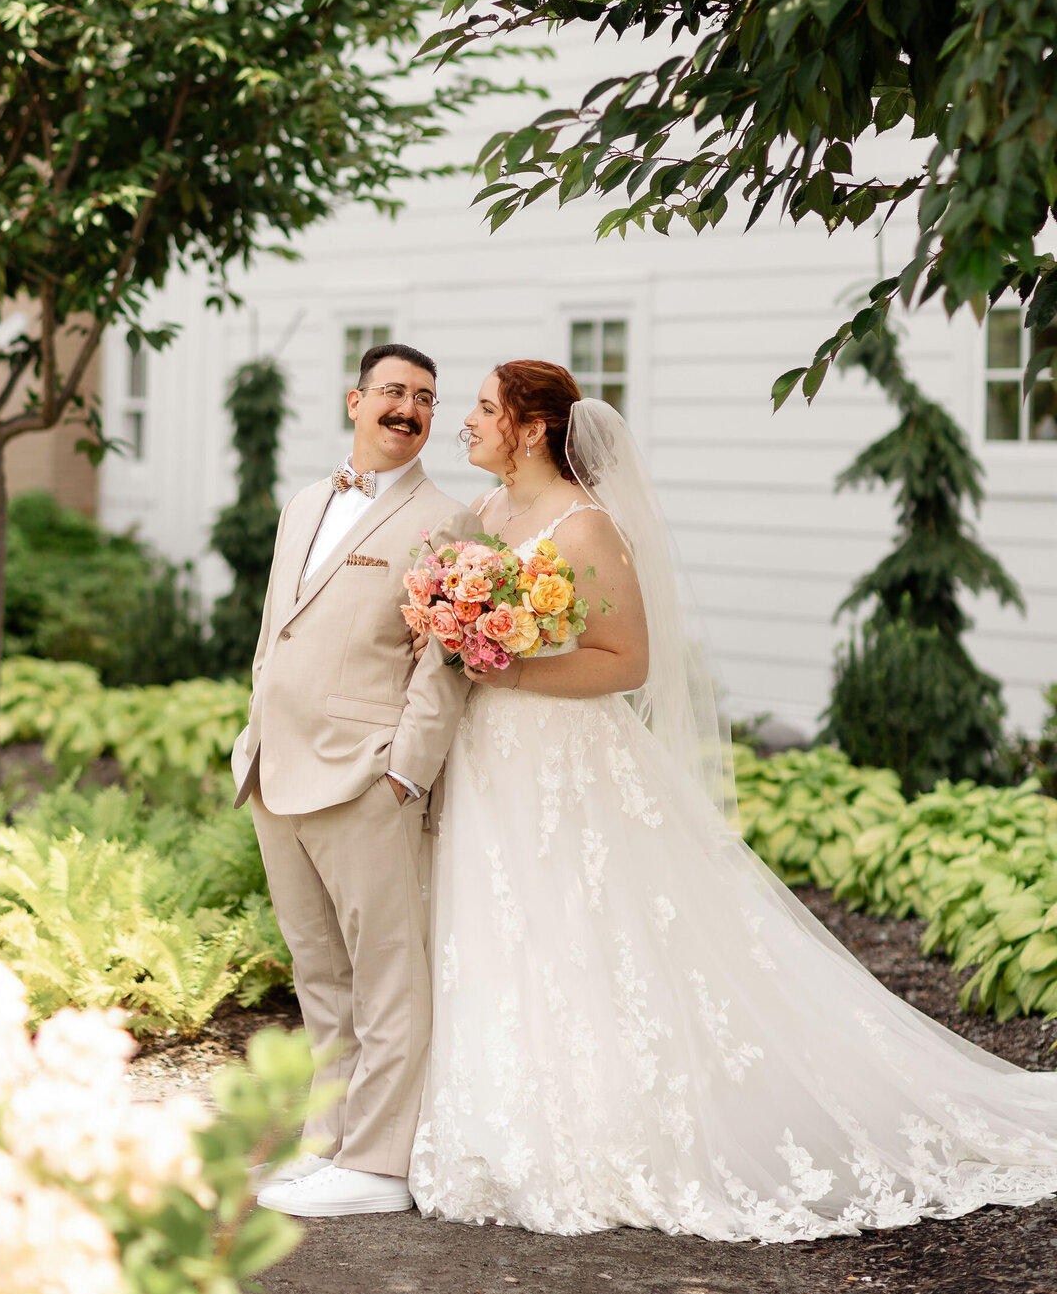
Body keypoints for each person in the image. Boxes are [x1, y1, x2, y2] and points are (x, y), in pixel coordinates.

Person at [409, 358, 1057, 1239]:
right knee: (496, 922)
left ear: (530, 428)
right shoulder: (483, 515)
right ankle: (493, 1124)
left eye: (485, 409)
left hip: (563, 757)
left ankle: (603, 1129)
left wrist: (508, 659)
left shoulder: (585, 526)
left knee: (584, 929)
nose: (468, 422)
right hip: (488, 759)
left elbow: (627, 662)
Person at [232, 342, 475, 1220]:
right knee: (319, 972)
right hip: (275, 770)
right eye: (394, 393)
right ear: (355, 401)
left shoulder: (447, 519)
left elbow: (441, 666)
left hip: (366, 779)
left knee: (386, 977)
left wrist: (404, 775)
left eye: (426, 399)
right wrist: (250, 738)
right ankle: (328, 1142)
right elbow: (278, 631)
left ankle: (378, 1164)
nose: (408, 409)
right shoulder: (305, 502)